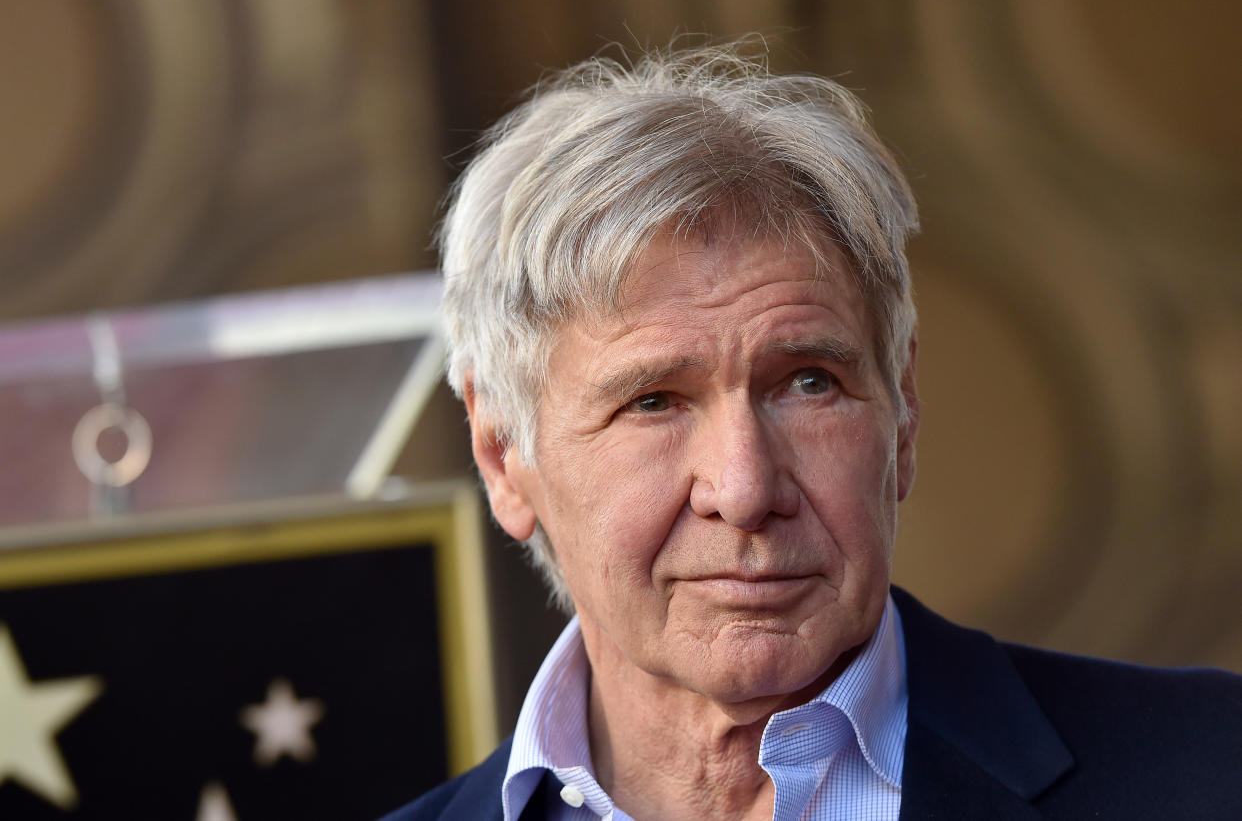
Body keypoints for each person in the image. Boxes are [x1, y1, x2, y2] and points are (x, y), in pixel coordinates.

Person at [384, 43, 1242, 820]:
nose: (745, 487)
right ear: (503, 456)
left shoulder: (1213, 769)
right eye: (653, 401)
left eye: (808, 382)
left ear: (901, 416)